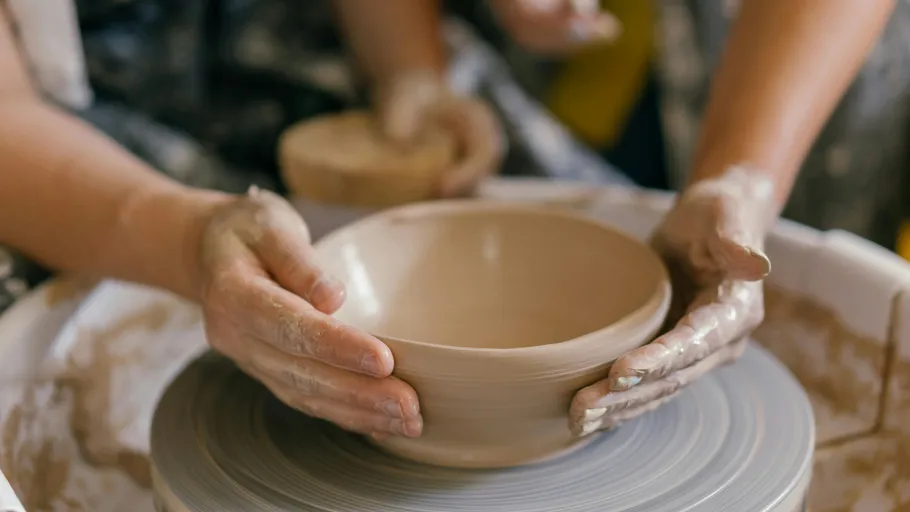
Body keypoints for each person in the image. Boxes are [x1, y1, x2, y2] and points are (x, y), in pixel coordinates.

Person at [0, 0, 895, 442]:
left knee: (538, 186)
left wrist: (407, 69)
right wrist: (186, 243)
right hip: (59, 112)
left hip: (284, 26)